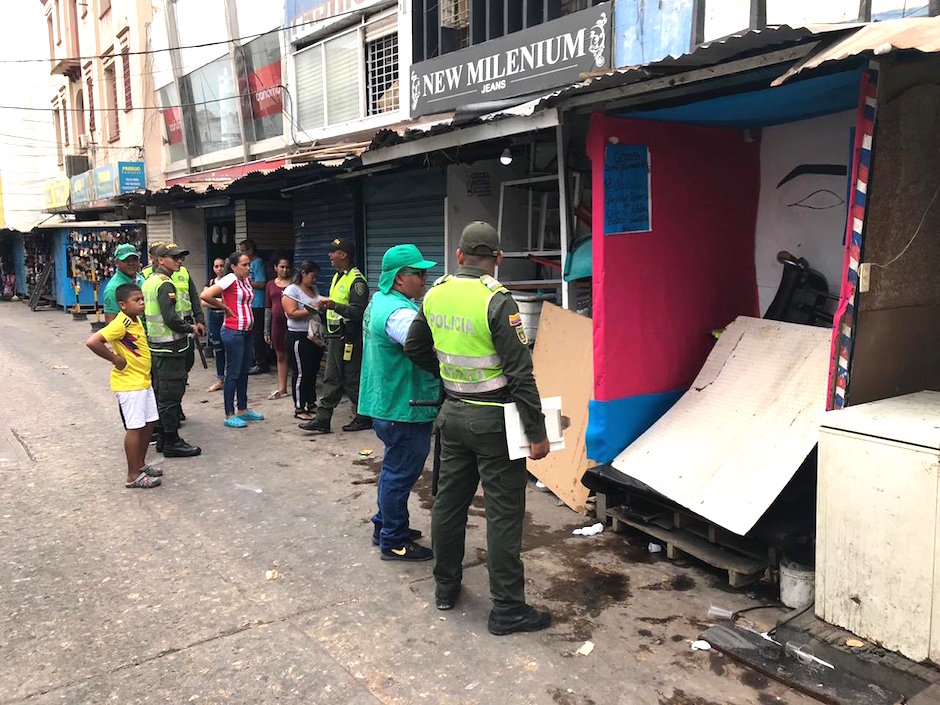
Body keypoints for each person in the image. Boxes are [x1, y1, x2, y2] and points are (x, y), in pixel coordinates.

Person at [404, 221, 551, 636]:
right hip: (495, 422)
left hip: (452, 414)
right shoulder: (498, 301)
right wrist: (537, 434)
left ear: (459, 256)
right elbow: (521, 374)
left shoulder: (435, 293)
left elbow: (415, 346)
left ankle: (445, 587)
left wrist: (450, 378)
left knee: (449, 503)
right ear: (498, 259)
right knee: (503, 514)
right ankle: (507, 609)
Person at [359, 245, 439, 561]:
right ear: (399, 278)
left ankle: (387, 525)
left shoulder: (380, 300)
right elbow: (421, 345)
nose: (425, 278)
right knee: (400, 473)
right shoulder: (399, 314)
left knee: (395, 469)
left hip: (388, 402)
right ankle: (394, 540)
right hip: (404, 406)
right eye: (418, 273)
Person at [86, 283, 162, 489]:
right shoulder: (122, 323)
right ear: (122, 305)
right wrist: (114, 358)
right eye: (136, 300)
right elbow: (93, 341)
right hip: (130, 383)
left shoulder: (135, 321)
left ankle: (141, 464)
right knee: (135, 427)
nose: (142, 303)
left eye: (142, 299)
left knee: (149, 423)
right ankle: (132, 475)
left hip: (142, 380)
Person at [299, 238, 372, 434]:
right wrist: (321, 309)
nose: (330, 256)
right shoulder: (338, 277)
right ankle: (323, 418)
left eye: (333, 252)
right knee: (332, 377)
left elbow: (358, 313)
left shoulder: (357, 281)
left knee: (350, 379)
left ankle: (365, 416)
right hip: (335, 337)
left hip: (349, 338)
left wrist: (333, 306)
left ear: (343, 255)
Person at [141, 244, 201, 458]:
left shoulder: (149, 282)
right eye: (174, 258)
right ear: (160, 260)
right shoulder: (165, 284)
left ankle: (165, 438)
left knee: (163, 393)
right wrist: (191, 328)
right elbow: (171, 319)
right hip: (170, 347)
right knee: (171, 395)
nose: (179, 262)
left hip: (158, 346)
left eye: (180, 258)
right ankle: (172, 441)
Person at [200, 251, 266, 429]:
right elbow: (205, 296)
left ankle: (243, 409)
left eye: (248, 264)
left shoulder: (245, 281)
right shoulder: (230, 278)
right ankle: (229, 413)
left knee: (244, 371)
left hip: (245, 331)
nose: (248, 268)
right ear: (234, 266)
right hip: (233, 331)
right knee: (233, 373)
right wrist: (224, 307)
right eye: (244, 265)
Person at [282, 261, 325, 421]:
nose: (314, 280)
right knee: (301, 372)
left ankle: (310, 402)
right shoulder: (291, 291)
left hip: (314, 334)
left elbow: (320, 301)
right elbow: (291, 312)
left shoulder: (313, 289)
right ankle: (299, 407)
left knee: (312, 371)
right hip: (298, 336)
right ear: (304, 273)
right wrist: (312, 309)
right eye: (312, 276)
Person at [264, 256, 292, 400]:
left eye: (287, 267)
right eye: (281, 267)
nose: (284, 270)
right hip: (277, 325)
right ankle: (282, 388)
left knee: (294, 356)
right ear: (275, 267)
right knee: (280, 356)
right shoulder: (270, 285)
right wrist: (266, 330)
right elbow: (268, 308)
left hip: (293, 325)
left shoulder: (295, 284)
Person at [240, 239, 269, 375]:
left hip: (258, 304)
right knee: (251, 334)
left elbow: (262, 283)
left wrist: (248, 282)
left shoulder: (258, 263)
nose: (241, 253)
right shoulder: (249, 264)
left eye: (243, 250)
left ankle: (261, 363)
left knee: (257, 335)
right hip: (250, 303)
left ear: (251, 250)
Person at [102, 244, 144, 323]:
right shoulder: (113, 289)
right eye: (126, 260)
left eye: (134, 259)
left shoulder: (141, 279)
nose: (131, 263)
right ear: (116, 263)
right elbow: (111, 324)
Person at [204, 258, 226, 393]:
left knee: (229, 348)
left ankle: (230, 379)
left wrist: (212, 300)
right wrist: (221, 303)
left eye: (221, 266)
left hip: (226, 317)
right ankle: (220, 379)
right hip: (214, 318)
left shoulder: (229, 282)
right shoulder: (211, 282)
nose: (219, 269)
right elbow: (203, 301)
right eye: (216, 266)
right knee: (218, 349)